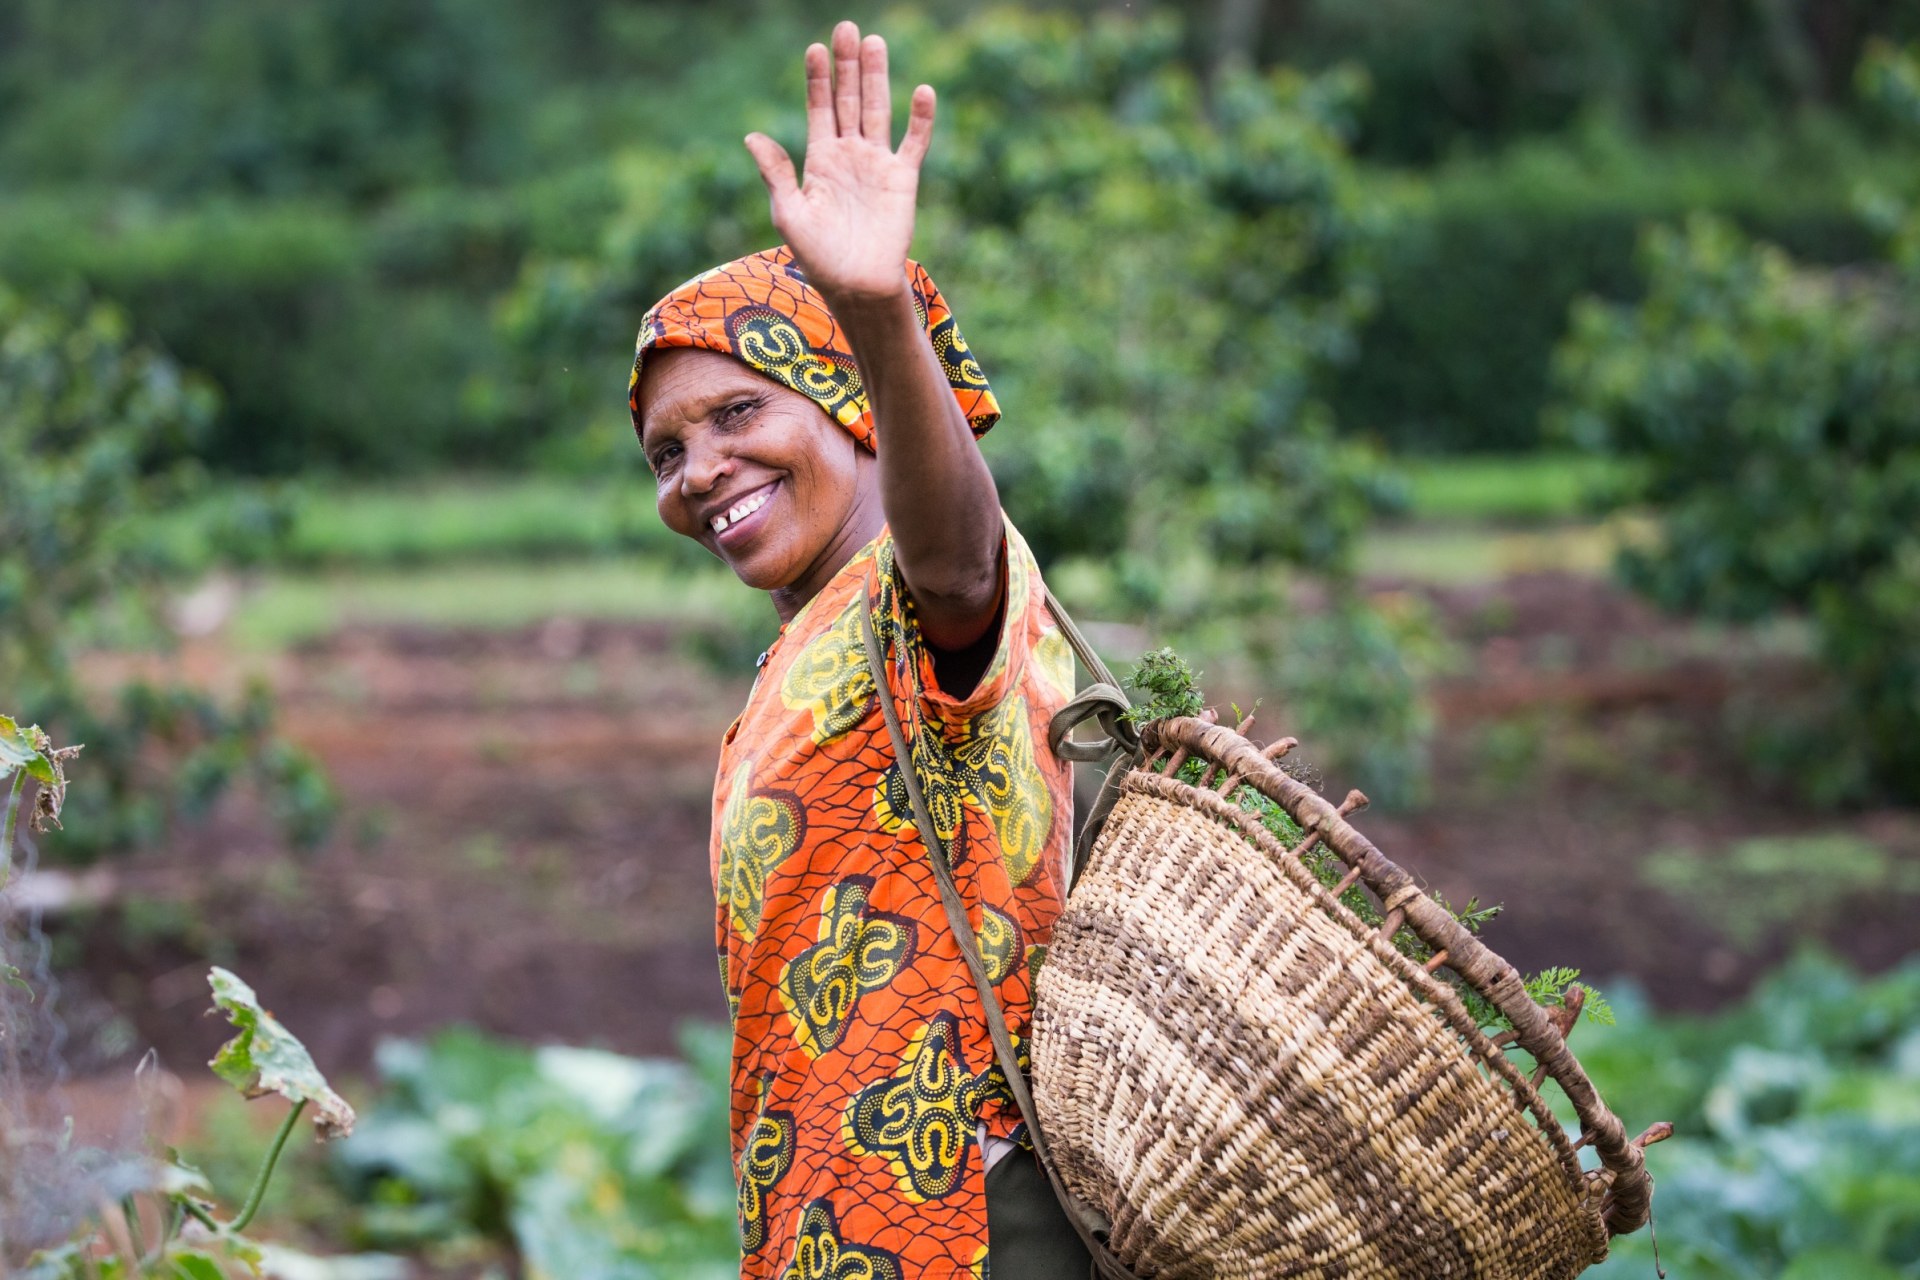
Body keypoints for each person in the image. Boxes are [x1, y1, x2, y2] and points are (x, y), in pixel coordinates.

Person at [628, 19, 1097, 1280]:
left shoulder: (918, 603)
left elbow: (959, 558)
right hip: (841, 1228)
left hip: (971, 1224)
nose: (700, 472)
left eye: (736, 412)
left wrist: (876, 309)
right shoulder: (814, 644)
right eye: (668, 451)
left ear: (851, 406)